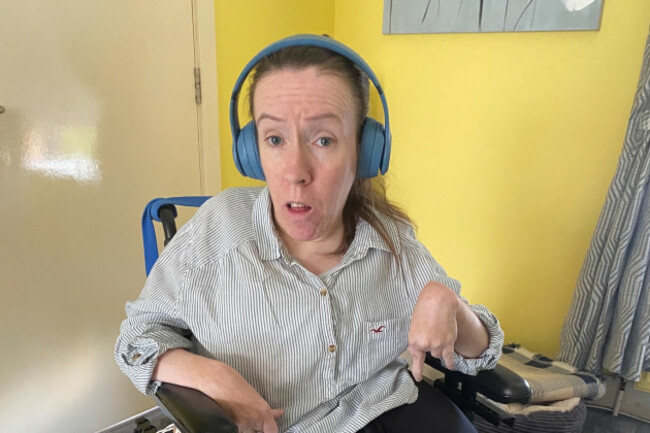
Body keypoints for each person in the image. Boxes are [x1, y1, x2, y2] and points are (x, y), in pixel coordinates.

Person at [115, 34, 504, 433]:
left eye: (323, 140)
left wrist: (450, 304)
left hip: (383, 412)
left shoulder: (391, 240)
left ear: (364, 152)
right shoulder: (216, 233)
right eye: (275, 139)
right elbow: (136, 340)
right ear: (252, 151)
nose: (296, 171)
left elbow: (481, 351)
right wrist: (212, 377)